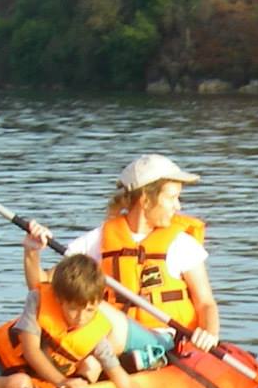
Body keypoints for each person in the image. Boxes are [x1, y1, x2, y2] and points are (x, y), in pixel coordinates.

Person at [0, 230, 183, 388]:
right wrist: (62, 381)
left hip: (34, 382)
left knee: (22, 383)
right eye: (73, 309)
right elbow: (30, 351)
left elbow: (123, 381)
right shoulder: (38, 301)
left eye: (89, 310)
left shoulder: (95, 333)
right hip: (1, 362)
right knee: (19, 380)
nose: (81, 317)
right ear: (59, 300)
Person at [62, 154, 220, 368]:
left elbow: (206, 303)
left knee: (103, 312)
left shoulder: (181, 244)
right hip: (108, 334)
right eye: (172, 197)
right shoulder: (97, 240)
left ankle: (109, 363)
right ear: (146, 200)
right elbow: (49, 284)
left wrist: (209, 334)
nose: (178, 206)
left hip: (164, 338)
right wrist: (32, 253)